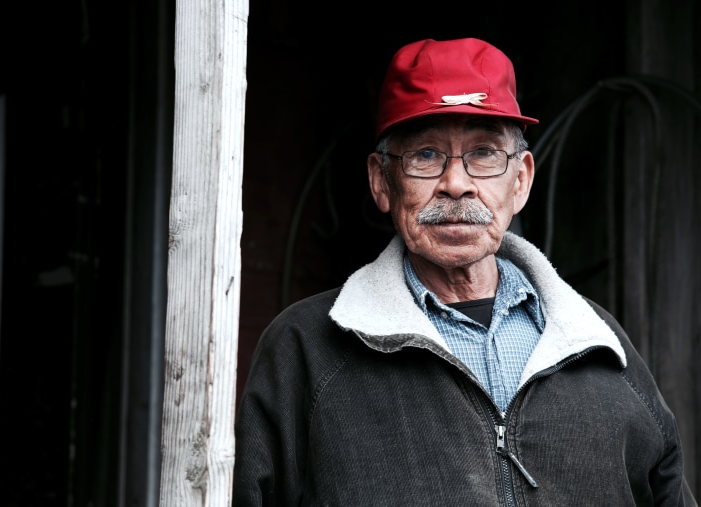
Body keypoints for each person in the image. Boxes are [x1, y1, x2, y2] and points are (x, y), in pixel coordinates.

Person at [232, 38, 697, 506]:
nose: (456, 184)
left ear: (521, 181)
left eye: (485, 153)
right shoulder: (306, 347)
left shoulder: (596, 343)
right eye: (426, 155)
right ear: (381, 182)